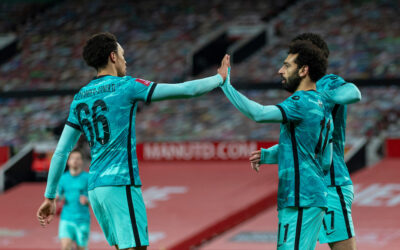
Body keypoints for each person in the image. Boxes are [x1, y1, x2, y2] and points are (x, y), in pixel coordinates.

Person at [37, 32, 230, 250]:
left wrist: (50, 197)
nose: (125, 60)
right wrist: (218, 79)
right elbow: (185, 90)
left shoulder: (80, 97)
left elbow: (62, 151)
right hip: (120, 182)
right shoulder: (127, 86)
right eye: (122, 55)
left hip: (95, 187)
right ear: (112, 57)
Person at [250, 33, 361, 250]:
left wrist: (323, 98)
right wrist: (269, 154)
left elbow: (354, 92)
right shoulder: (300, 95)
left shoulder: (329, 82)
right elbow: (301, 145)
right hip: (308, 189)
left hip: (332, 182)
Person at [221, 40, 334, 249]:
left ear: (303, 70)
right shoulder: (323, 104)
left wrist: (225, 85)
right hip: (307, 197)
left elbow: (258, 114)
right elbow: (323, 158)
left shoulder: (300, 102)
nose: (280, 70)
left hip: (302, 198)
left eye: (287, 65)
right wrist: (270, 155)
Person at [57, 149, 90, 250]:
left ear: (82, 161)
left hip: (82, 220)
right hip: (66, 219)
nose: (75, 161)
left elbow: (95, 199)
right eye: (72, 158)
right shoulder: (63, 178)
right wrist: (57, 199)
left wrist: (87, 200)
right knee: (66, 247)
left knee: (81, 248)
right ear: (68, 161)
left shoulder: (88, 178)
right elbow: (58, 195)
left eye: (78, 158)